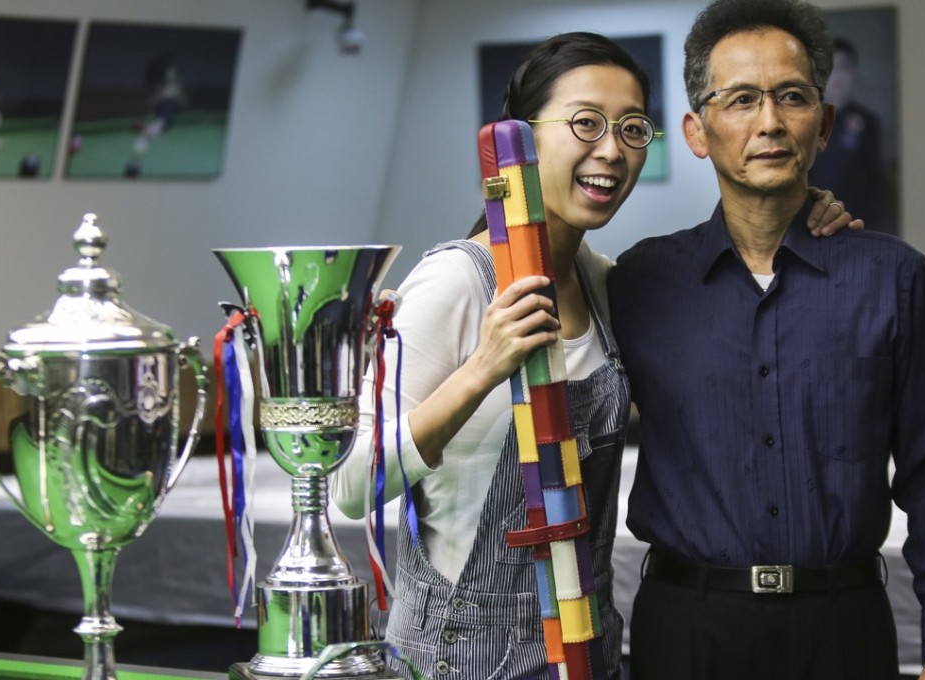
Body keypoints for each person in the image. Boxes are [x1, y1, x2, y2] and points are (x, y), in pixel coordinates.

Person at [331, 32, 857, 680]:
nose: (612, 150)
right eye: (586, 123)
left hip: (587, 653)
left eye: (633, 129)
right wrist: (481, 370)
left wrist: (809, 213)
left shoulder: (609, 281)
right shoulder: (458, 283)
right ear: (519, 138)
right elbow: (350, 483)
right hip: (460, 657)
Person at [607, 2, 925, 679]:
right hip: (685, 629)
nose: (769, 122)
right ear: (696, 131)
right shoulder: (640, 283)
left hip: (844, 626)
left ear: (822, 124)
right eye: (740, 99)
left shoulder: (894, 279)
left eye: (791, 97)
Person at [809, 36, 893, 234]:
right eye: (831, 68)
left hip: (856, 222)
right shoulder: (806, 120)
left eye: (843, 67)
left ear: (854, 71)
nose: (837, 75)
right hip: (812, 221)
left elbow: (874, 180)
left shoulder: (867, 122)